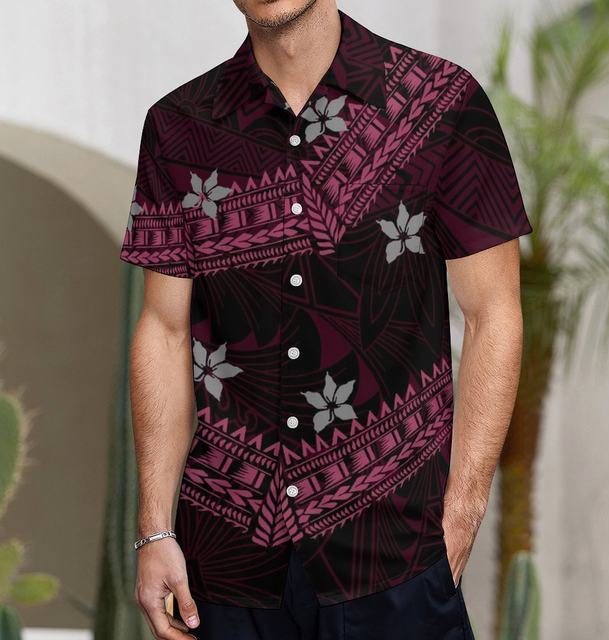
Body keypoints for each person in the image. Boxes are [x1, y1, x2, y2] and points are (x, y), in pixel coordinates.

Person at [119, 1, 533, 638]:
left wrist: (463, 510)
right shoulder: (176, 127)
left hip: (395, 555)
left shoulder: (440, 101)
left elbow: (493, 314)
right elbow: (164, 330)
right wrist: (154, 529)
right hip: (226, 562)